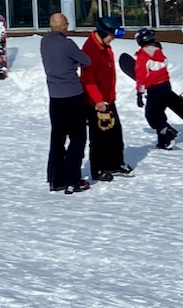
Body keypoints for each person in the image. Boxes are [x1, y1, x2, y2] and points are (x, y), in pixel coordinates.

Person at [40, 12, 92, 194]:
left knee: (57, 139)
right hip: (73, 96)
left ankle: (55, 179)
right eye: (67, 23)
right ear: (63, 26)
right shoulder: (67, 44)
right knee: (77, 139)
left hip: (55, 98)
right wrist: (74, 64)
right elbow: (86, 60)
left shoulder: (44, 42)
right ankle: (72, 180)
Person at [81, 16, 134, 181]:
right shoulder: (90, 49)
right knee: (99, 137)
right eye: (111, 35)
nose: (112, 39)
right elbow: (87, 79)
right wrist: (97, 101)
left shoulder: (104, 46)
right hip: (96, 103)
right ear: (103, 32)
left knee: (115, 133)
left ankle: (115, 163)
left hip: (108, 99)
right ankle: (99, 169)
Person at [133, 28, 178, 148]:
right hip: (166, 85)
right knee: (160, 113)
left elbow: (141, 76)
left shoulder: (143, 55)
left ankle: (166, 130)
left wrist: (139, 93)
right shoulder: (159, 51)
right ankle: (164, 141)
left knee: (151, 115)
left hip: (154, 88)